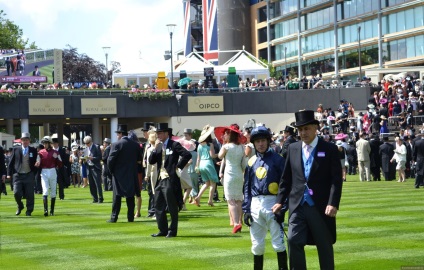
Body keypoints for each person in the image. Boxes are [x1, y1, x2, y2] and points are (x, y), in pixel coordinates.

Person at [272, 110, 343, 270]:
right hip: (297, 204)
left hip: (320, 205)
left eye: (306, 129)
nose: (303, 133)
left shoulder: (329, 148)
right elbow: (286, 178)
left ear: (315, 128)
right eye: (300, 129)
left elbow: (336, 180)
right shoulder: (293, 148)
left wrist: (333, 203)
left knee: (324, 244)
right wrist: (279, 201)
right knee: (292, 240)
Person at [242, 126, 288, 270]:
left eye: (263, 141)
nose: (260, 144)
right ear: (254, 144)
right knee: (256, 244)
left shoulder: (278, 160)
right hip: (255, 204)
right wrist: (246, 209)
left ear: (268, 141)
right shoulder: (251, 162)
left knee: (278, 243)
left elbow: (285, 186)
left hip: (273, 203)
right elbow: (247, 188)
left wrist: (283, 207)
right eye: (257, 141)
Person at [149, 123, 191, 238]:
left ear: (167, 133)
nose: (158, 135)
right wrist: (154, 148)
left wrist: (178, 166)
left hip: (170, 179)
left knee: (172, 206)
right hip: (159, 179)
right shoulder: (158, 146)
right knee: (157, 205)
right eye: (157, 133)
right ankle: (162, 230)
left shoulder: (174, 145)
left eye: (160, 133)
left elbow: (187, 154)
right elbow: (151, 161)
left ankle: (172, 231)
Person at [215, 124, 247, 234]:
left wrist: (224, 144)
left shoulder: (226, 147)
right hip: (238, 173)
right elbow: (244, 164)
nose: (223, 135)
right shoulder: (241, 147)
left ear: (229, 134)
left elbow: (219, 156)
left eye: (225, 134)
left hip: (229, 174)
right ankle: (239, 221)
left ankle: (236, 223)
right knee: (238, 199)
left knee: (230, 200)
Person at [107, 129, 142, 223]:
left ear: (121, 134)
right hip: (131, 173)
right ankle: (130, 217)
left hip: (118, 174)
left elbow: (110, 160)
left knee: (117, 197)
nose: (117, 136)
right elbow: (139, 159)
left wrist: (112, 171)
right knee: (130, 197)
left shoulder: (116, 144)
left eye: (117, 134)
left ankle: (114, 217)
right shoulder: (135, 145)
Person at [6, 132, 38, 216]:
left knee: (30, 193)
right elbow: (10, 163)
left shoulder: (33, 150)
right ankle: (20, 206)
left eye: (27, 140)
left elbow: (36, 162)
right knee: (16, 193)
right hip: (18, 175)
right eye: (24, 140)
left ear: (29, 141)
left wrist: (35, 170)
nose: (25, 141)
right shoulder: (16, 149)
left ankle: (29, 210)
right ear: (21, 141)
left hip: (29, 174)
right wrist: (8, 174)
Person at [35, 136, 63, 216]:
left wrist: (57, 158)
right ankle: (45, 210)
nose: (44, 145)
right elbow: (37, 162)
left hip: (53, 171)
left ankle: (52, 211)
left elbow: (60, 164)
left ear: (49, 143)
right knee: (45, 190)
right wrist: (37, 164)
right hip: (44, 171)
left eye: (46, 143)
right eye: (44, 143)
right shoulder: (40, 152)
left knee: (53, 191)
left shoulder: (55, 152)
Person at [194, 125, 219, 207]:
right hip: (208, 163)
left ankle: (198, 197)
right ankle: (210, 200)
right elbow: (212, 156)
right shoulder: (210, 144)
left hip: (201, 164)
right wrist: (219, 154)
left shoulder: (200, 145)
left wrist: (197, 167)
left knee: (206, 183)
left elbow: (198, 158)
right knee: (213, 183)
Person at [83, 136, 103, 203]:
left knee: (97, 183)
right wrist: (83, 160)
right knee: (91, 184)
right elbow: (85, 158)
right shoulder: (85, 149)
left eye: (88, 143)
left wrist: (93, 158)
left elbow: (100, 157)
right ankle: (94, 198)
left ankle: (100, 198)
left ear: (91, 142)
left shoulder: (96, 147)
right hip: (89, 167)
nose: (87, 144)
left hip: (95, 167)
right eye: (85, 143)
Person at [143, 125, 157, 218]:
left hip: (153, 171)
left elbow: (149, 163)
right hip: (161, 171)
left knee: (154, 192)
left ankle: (156, 211)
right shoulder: (160, 147)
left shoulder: (150, 149)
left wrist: (147, 175)